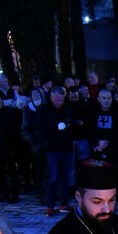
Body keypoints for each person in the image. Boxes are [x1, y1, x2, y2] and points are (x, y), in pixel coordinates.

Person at [37, 87, 76, 216]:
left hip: (66, 148)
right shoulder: (44, 110)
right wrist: (56, 127)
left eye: (61, 99)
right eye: (57, 100)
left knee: (65, 176)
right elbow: (41, 128)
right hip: (52, 149)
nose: (59, 102)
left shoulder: (67, 109)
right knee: (54, 177)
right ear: (52, 97)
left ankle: (64, 203)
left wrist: (70, 125)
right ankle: (50, 205)